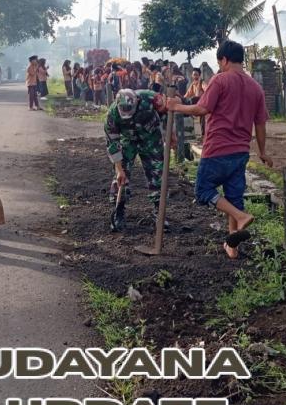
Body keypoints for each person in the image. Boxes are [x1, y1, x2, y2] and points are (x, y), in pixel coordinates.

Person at [167, 40, 272, 259]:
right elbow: (260, 124)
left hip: (217, 149)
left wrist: (176, 106)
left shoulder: (220, 80)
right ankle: (232, 245)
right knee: (234, 198)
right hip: (241, 151)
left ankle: (241, 217)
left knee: (203, 191)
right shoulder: (256, 87)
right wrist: (263, 152)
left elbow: (202, 109)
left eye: (219, 62)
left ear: (224, 60)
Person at [104, 89, 172, 227]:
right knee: (121, 176)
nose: (127, 115)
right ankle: (119, 211)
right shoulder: (112, 115)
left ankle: (159, 212)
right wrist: (119, 169)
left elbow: (167, 110)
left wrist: (171, 133)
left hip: (151, 138)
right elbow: (112, 144)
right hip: (128, 140)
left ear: (137, 102)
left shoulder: (150, 98)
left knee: (157, 174)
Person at [184, 68, 207, 137]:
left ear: (199, 76)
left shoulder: (202, 82)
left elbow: (207, 90)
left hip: (203, 103)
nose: (195, 76)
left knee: (202, 119)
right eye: (194, 75)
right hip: (196, 103)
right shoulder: (192, 84)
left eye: (196, 75)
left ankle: (203, 134)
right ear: (192, 76)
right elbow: (187, 94)